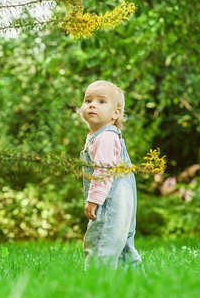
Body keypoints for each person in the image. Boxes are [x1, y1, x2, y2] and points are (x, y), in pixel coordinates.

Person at [78, 80, 142, 270]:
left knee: (100, 246)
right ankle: (137, 286)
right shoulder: (106, 136)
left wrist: (93, 200)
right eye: (88, 99)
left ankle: (96, 285)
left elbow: (103, 171)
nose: (92, 104)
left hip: (110, 205)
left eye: (101, 101)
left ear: (116, 113)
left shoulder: (105, 138)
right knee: (123, 248)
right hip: (124, 207)